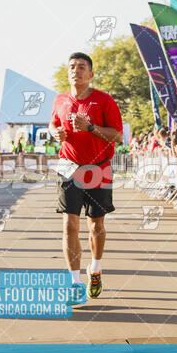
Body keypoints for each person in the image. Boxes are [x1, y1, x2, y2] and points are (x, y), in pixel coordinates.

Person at [49, 52, 123, 303]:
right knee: (69, 224)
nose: (76, 70)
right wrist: (56, 134)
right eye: (72, 66)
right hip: (69, 166)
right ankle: (74, 283)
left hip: (98, 168)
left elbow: (117, 136)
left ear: (90, 74)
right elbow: (53, 124)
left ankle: (96, 268)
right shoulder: (60, 100)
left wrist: (90, 128)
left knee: (96, 225)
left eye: (81, 67)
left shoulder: (104, 101)